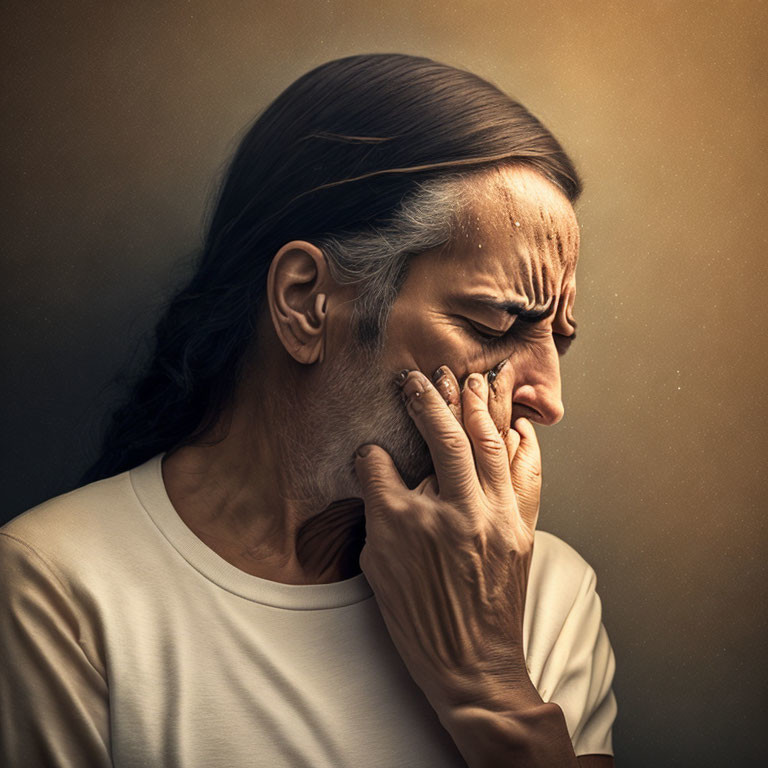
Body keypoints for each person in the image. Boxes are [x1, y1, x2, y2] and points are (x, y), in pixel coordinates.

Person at [0, 53, 617, 767]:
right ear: (305, 302)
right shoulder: (56, 592)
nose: (548, 399)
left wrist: (492, 685)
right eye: (491, 325)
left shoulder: (545, 595)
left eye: (557, 341)